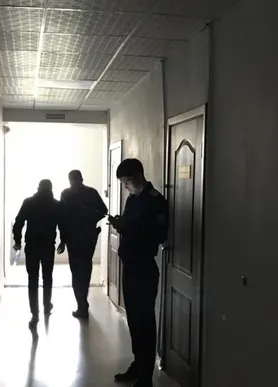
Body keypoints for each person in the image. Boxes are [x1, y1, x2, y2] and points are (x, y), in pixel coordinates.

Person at [107, 159, 168, 387]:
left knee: (145, 322)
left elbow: (159, 235)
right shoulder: (132, 199)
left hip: (144, 268)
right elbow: (131, 227)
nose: (126, 186)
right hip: (130, 266)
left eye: (128, 181)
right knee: (133, 320)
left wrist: (128, 227)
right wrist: (121, 225)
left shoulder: (155, 200)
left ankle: (146, 375)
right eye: (123, 182)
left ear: (139, 175)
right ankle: (138, 364)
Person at [12, 179, 66, 328]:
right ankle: (47, 305)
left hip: (32, 246)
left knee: (33, 279)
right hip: (48, 246)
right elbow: (63, 225)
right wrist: (63, 241)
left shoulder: (29, 202)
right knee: (47, 277)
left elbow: (18, 223)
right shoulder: (56, 205)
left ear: (38, 188)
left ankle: (34, 313)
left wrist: (18, 241)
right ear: (51, 189)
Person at [57, 169, 108, 319]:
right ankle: (82, 303)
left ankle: (82, 304)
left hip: (77, 237)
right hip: (85, 236)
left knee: (79, 270)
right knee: (83, 269)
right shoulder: (90, 193)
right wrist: (90, 220)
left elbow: (62, 219)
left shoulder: (67, 194)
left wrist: (63, 240)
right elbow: (102, 211)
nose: (73, 183)